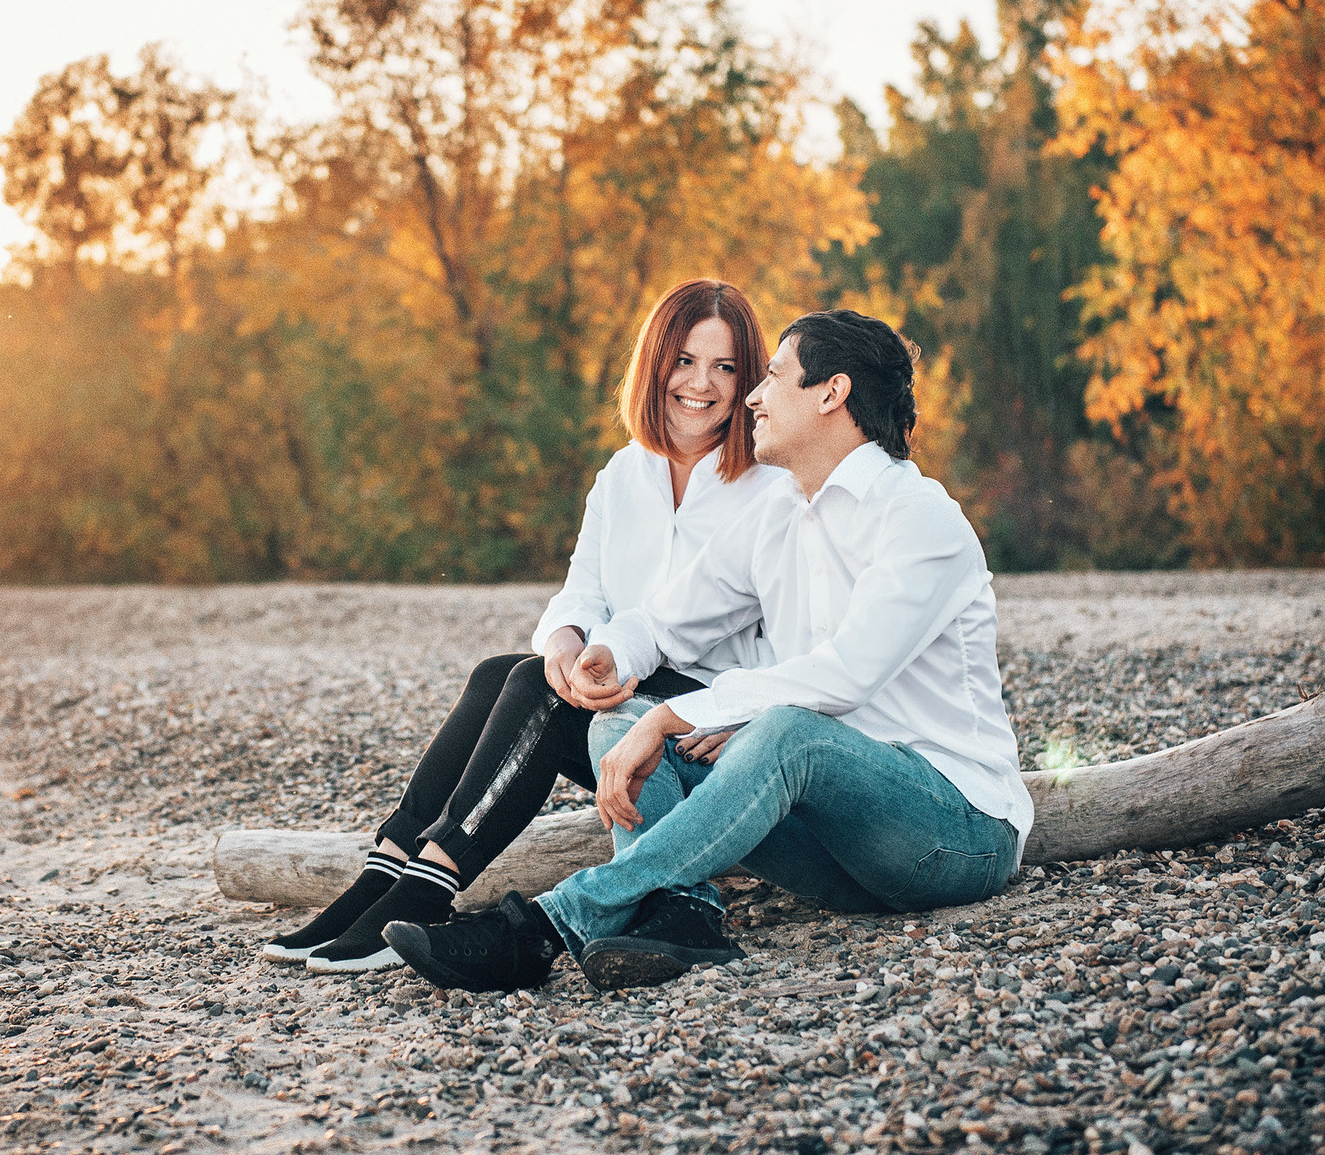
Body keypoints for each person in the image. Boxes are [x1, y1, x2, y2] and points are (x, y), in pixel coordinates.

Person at [383, 308, 1035, 992]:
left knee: (784, 731)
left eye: (773, 377)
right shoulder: (780, 511)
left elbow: (846, 674)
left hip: (955, 833)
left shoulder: (918, 515)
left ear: (831, 393)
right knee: (623, 720)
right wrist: (608, 656)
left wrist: (681, 714)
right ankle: (680, 920)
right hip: (838, 855)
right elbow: (666, 622)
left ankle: (548, 926)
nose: (751, 395)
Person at [262, 279, 783, 974]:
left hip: (702, 731)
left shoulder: (769, 485)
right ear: (655, 363)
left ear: (748, 382)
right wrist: (567, 646)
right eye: (685, 360)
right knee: (506, 673)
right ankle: (385, 871)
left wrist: (733, 714)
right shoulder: (625, 475)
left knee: (531, 686)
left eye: (725, 367)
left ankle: (427, 886)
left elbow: (788, 642)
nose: (702, 384)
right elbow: (580, 593)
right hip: (620, 703)